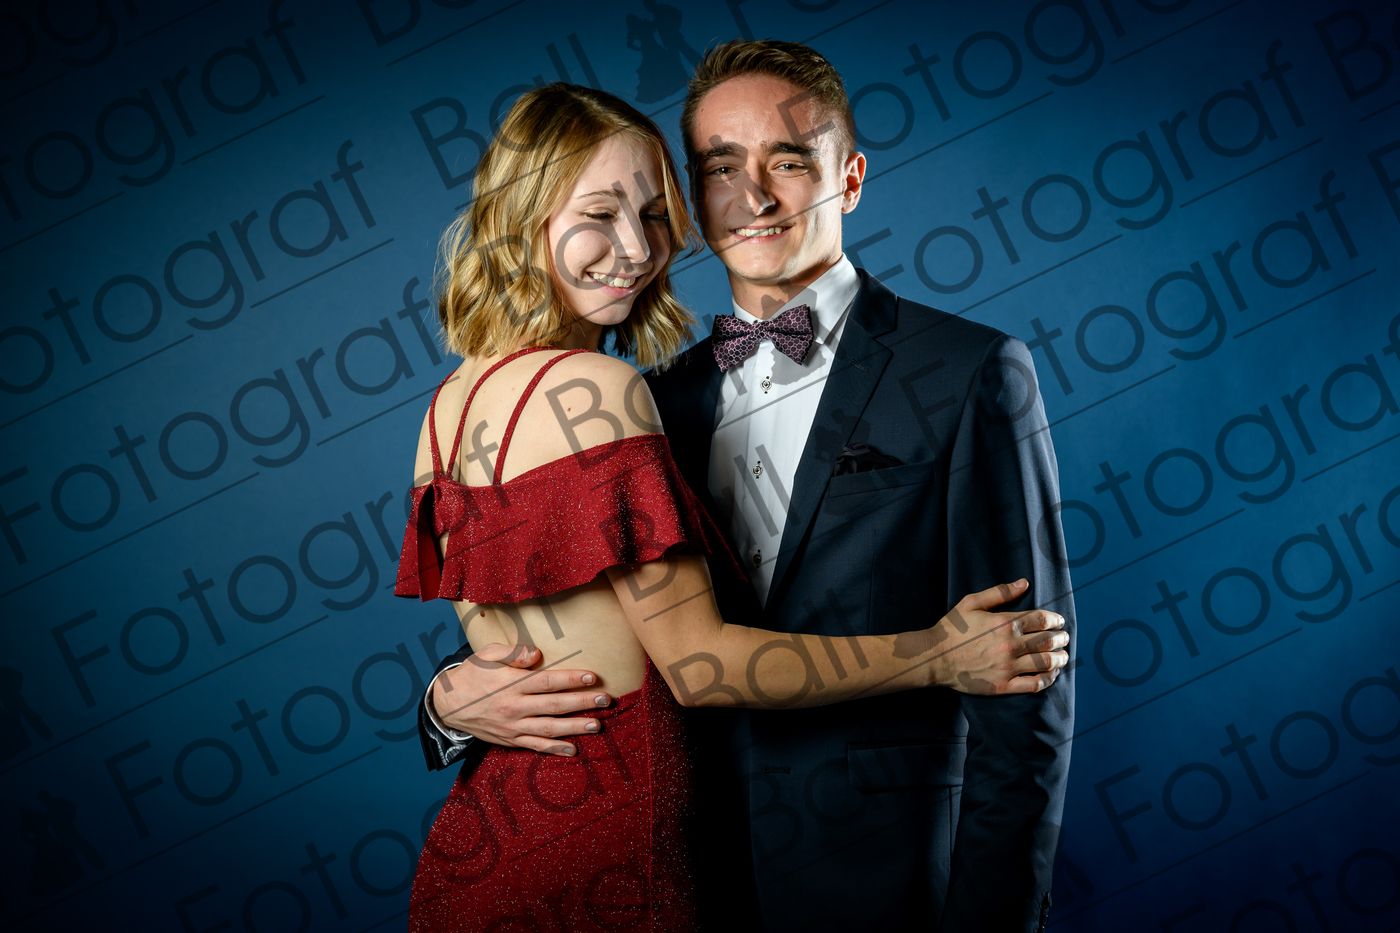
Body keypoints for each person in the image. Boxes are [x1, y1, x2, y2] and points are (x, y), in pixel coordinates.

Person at [409, 50, 1076, 931]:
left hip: (876, 880)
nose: (753, 196)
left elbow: (1024, 669)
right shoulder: (648, 397)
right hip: (676, 864)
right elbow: (571, 621)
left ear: (850, 178)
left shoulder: (969, 371)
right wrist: (447, 701)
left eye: (788, 161)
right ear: (698, 191)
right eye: (722, 167)